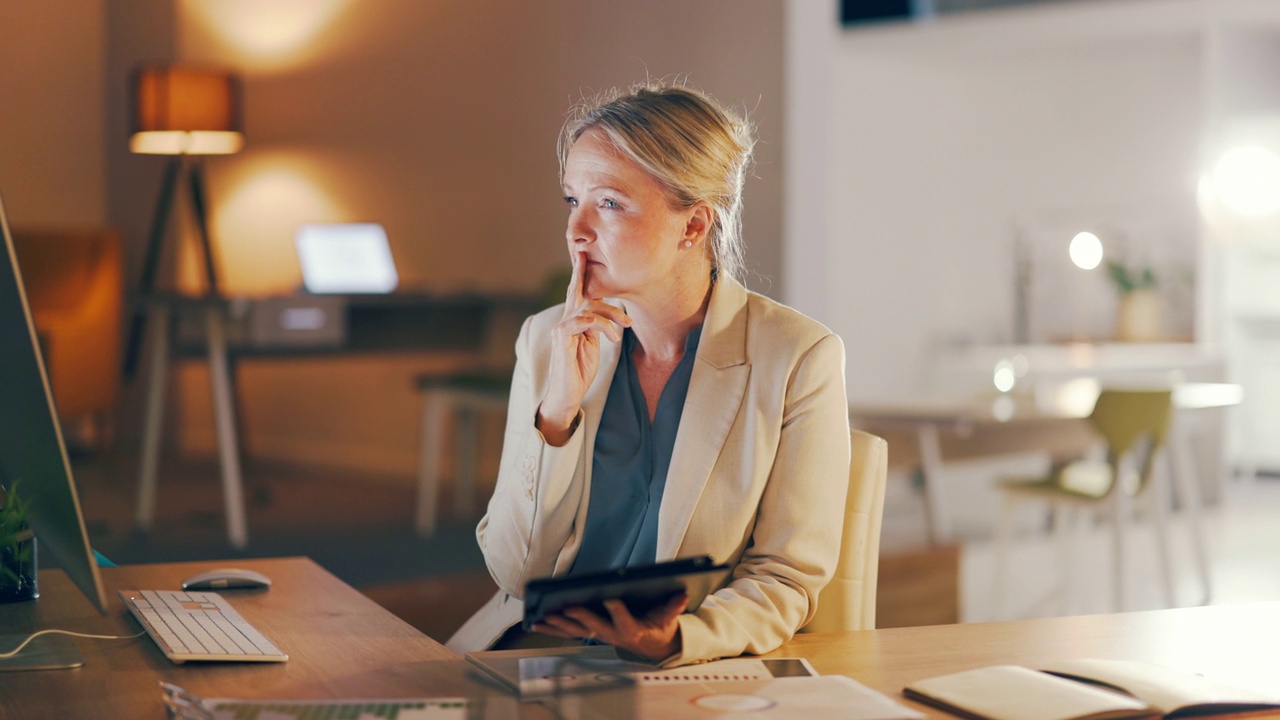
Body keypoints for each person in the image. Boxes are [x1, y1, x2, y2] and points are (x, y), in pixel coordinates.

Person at [447, 81, 850, 667]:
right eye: (571, 201)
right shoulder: (544, 340)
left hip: (685, 665)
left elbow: (785, 576)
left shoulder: (798, 357)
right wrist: (557, 411)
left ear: (692, 227)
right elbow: (516, 573)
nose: (577, 230)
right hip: (535, 653)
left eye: (608, 203)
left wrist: (680, 640)